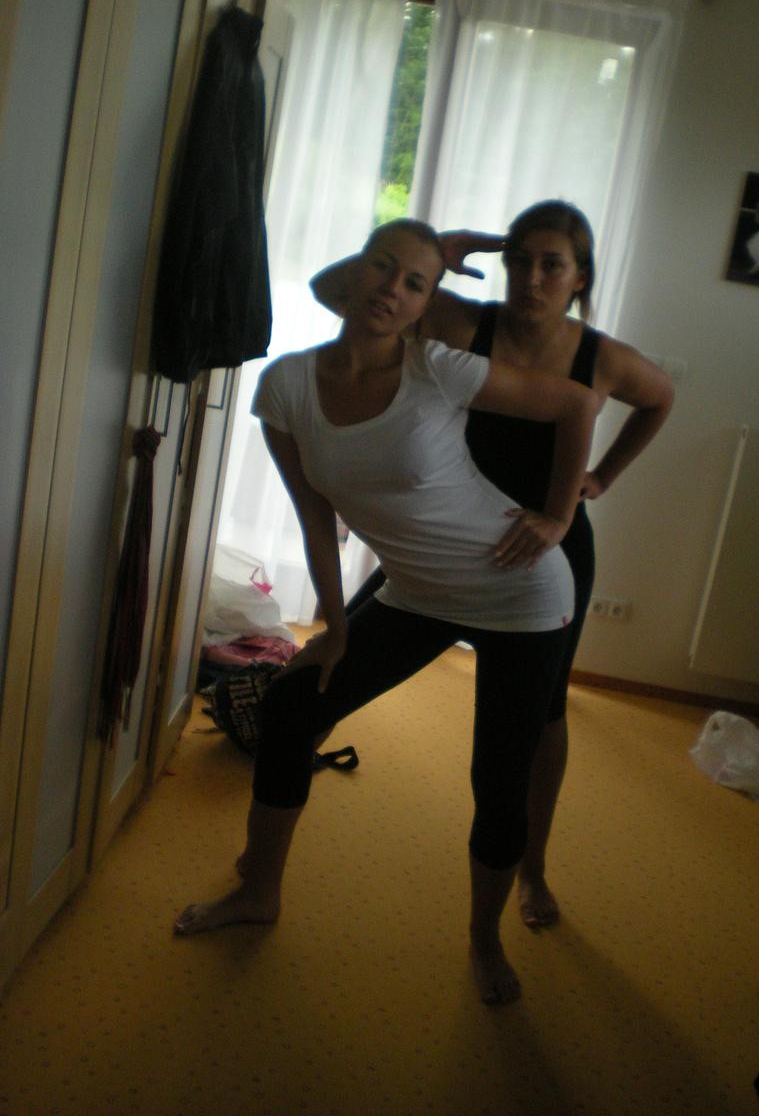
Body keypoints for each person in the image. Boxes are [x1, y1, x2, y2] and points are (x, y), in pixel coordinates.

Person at [175, 218, 601, 1007]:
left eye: (415, 284)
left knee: (498, 776)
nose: (392, 291)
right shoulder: (287, 386)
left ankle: (484, 939)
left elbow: (577, 404)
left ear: (426, 305)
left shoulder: (438, 368)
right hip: (416, 592)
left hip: (520, 592)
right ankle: (259, 890)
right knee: (293, 705)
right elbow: (315, 520)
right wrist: (334, 630)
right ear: (356, 271)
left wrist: (559, 514)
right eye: (382, 268)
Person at [313, 200, 674, 930]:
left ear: (580, 277)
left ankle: (533, 869)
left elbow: (660, 399)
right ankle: (276, 799)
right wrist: (439, 253)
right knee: (333, 658)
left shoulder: (601, 358)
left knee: (540, 720)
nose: (532, 278)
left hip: (545, 552)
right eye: (520, 260)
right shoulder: (461, 321)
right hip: (444, 544)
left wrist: (597, 482)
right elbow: (332, 289)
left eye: (552, 265)